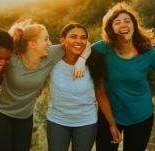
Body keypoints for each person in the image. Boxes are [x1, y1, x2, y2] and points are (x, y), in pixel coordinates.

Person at [0, 20, 90, 151]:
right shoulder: (13, 58)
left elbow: (84, 44)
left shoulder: (51, 54)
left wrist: (81, 61)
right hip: (1, 113)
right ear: (32, 44)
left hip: (25, 117)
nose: (50, 43)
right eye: (46, 39)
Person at [91, 2, 155, 151]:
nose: (123, 24)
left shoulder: (148, 52)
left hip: (141, 116)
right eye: (117, 22)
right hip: (109, 115)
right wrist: (112, 124)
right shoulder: (101, 49)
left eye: (127, 21)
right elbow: (99, 88)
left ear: (134, 25)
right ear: (110, 29)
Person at [46, 23, 121, 151]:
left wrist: (112, 124)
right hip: (57, 121)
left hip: (86, 123)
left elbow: (101, 95)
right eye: (73, 37)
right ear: (62, 40)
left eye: (83, 37)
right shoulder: (53, 60)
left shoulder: (94, 63)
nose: (78, 41)